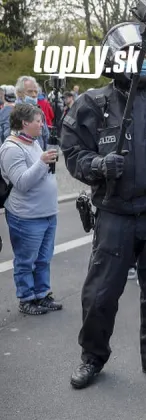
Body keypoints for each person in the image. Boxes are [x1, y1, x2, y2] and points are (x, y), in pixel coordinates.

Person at [61, 22, 146, 390]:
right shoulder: (92, 103)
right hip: (114, 213)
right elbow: (72, 151)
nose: (141, 62)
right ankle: (92, 357)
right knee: (100, 294)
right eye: (134, 55)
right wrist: (97, 166)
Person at [0, 103, 61, 315]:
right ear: (25, 123)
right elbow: (22, 183)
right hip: (26, 216)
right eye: (38, 121)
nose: (42, 125)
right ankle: (26, 299)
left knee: (44, 259)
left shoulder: (33, 143)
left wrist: (46, 161)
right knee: (26, 261)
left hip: (46, 213)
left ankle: (42, 295)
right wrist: (43, 162)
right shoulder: (11, 148)